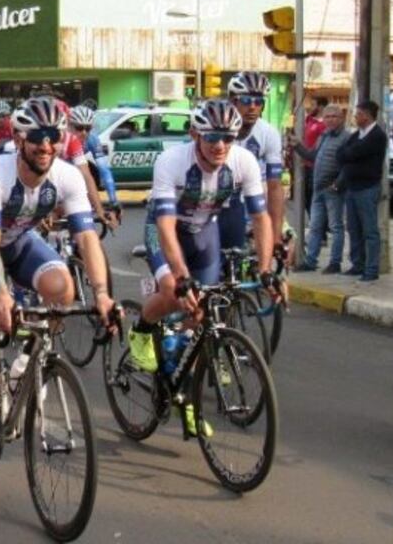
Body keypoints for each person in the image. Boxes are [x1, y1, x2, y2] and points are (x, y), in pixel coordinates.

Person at [0, 96, 116, 477]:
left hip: (21, 241)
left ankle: (27, 359)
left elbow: (88, 240)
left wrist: (104, 294)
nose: (46, 145)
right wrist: (2, 295)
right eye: (38, 136)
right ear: (19, 137)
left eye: (54, 136)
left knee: (63, 290)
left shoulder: (67, 176)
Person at [127, 100, 279, 432]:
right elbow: (165, 225)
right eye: (212, 137)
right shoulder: (172, 161)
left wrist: (266, 269)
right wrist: (180, 276)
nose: (220, 145)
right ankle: (141, 329)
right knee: (173, 292)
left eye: (228, 137)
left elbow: (261, 217)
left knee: (201, 314)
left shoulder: (244, 161)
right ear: (195, 133)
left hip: (204, 231)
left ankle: (183, 390)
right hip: (165, 230)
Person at [218, 71, 285, 250]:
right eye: (247, 101)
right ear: (233, 101)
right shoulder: (216, 127)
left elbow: (275, 187)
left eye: (259, 102)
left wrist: (276, 235)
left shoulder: (269, 133)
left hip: (246, 204)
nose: (253, 107)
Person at [287, 104, 349, 273]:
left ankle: (335, 262)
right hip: (318, 188)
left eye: (334, 116)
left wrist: (338, 183)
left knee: (336, 226)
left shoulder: (346, 138)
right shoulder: (323, 136)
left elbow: (347, 165)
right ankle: (310, 261)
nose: (330, 120)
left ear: (341, 118)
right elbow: (312, 156)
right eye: (327, 116)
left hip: (333, 189)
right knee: (315, 226)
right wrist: (297, 146)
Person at [336, 100, 388, 281]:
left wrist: (350, 154)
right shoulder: (356, 134)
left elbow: (352, 153)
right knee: (353, 228)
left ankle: (371, 269)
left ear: (366, 115)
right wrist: (349, 155)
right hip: (352, 187)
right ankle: (357, 263)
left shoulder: (377, 136)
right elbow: (341, 153)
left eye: (358, 114)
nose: (355, 117)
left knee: (369, 230)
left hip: (367, 187)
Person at [68, 105, 120, 220]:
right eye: (79, 127)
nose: (84, 132)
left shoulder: (92, 139)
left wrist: (113, 200)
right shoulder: (61, 138)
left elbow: (104, 170)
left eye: (88, 128)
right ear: (70, 126)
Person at [303, 97, 328, 214]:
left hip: (316, 164)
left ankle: (318, 222)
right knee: (306, 196)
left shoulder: (323, 125)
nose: (311, 107)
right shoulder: (310, 120)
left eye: (313, 104)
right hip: (305, 163)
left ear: (321, 107)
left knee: (312, 194)